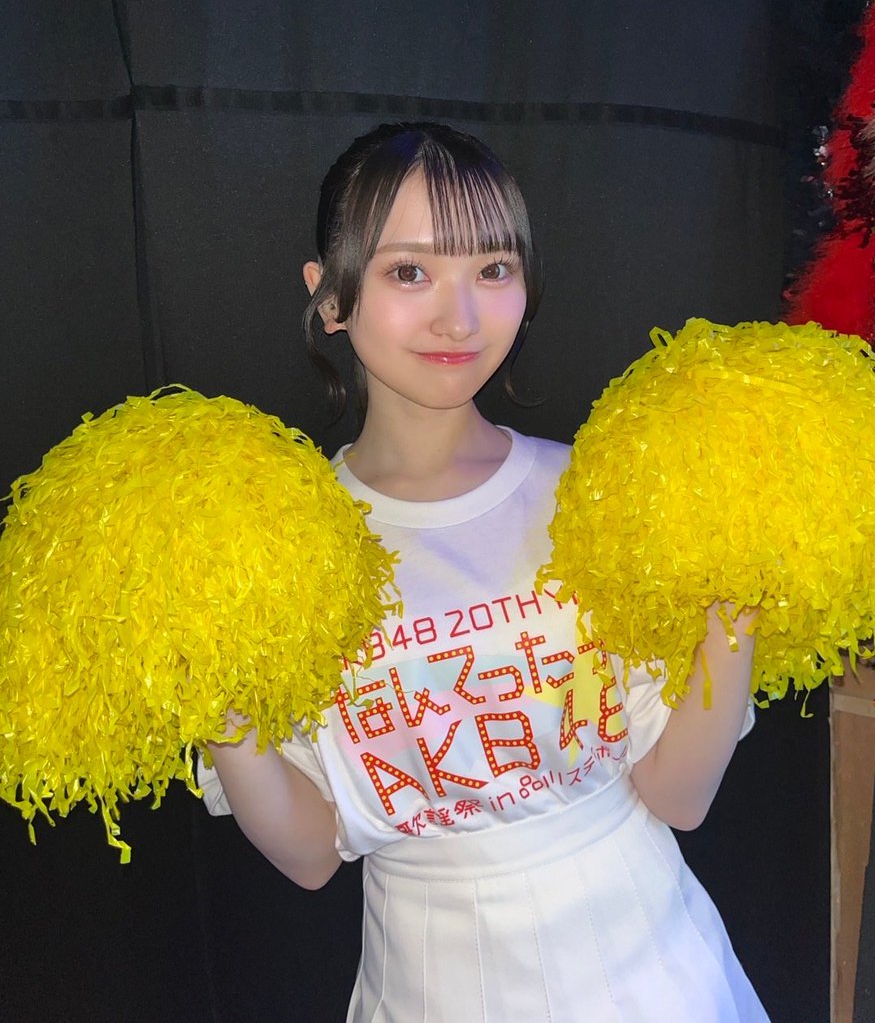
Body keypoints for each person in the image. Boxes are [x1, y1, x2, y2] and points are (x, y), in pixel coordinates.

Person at [199, 122, 769, 1022]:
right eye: (409, 272)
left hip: (656, 978)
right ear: (331, 296)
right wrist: (212, 699)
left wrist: (737, 605)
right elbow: (311, 852)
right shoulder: (278, 546)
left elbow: (678, 795)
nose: (459, 317)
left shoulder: (597, 493)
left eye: (493, 269)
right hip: (427, 986)